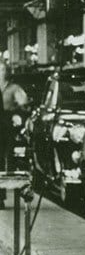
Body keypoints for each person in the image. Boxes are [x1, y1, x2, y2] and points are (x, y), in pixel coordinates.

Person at [0, 62, 28, 209]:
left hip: (7, 128)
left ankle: (2, 194)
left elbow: (24, 103)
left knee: (8, 159)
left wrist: (16, 113)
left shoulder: (13, 88)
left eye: (2, 69)